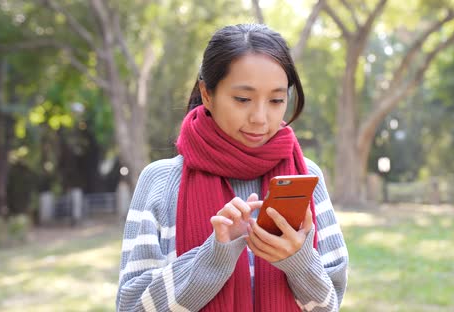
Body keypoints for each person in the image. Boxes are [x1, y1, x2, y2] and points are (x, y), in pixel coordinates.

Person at [116, 24, 348, 312]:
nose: (260, 118)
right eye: (242, 99)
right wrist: (215, 256)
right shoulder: (160, 182)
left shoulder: (305, 175)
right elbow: (131, 307)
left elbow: (331, 305)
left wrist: (298, 261)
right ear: (207, 93)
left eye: (276, 100)